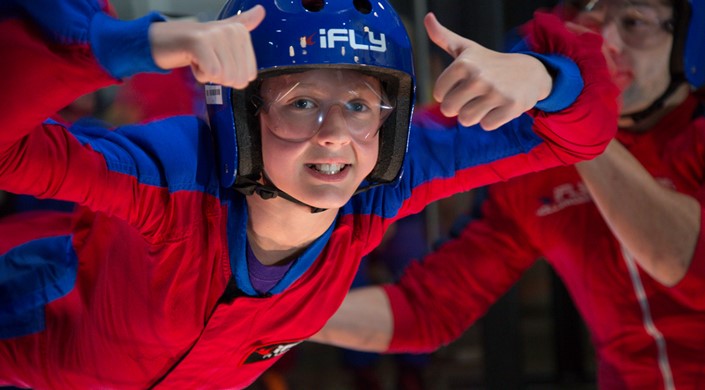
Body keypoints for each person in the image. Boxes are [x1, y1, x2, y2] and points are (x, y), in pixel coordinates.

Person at [0, 0, 618, 388]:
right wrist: (124, 45)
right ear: (242, 116)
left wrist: (546, 78)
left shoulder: (383, 184)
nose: (336, 137)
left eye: (357, 105)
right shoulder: (172, 176)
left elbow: (579, 136)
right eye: (301, 103)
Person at [312, 0, 705, 389]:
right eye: (592, 20)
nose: (606, 41)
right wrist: (274, 312)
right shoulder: (536, 175)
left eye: (636, 21)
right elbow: (429, 309)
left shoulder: (694, 137)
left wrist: (570, 102)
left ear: (690, 37)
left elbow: (684, 264)